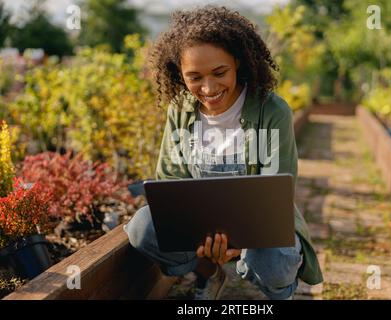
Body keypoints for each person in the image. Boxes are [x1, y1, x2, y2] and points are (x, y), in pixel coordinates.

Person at [124, 5, 323, 300]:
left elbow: (276, 192)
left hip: (261, 226)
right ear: (179, 73)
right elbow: (171, 180)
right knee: (142, 227)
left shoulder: (272, 110)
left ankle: (281, 292)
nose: (208, 87)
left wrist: (239, 243)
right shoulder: (180, 111)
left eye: (219, 72)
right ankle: (206, 272)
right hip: (197, 228)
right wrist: (202, 239)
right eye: (194, 77)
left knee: (275, 260)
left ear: (238, 62)